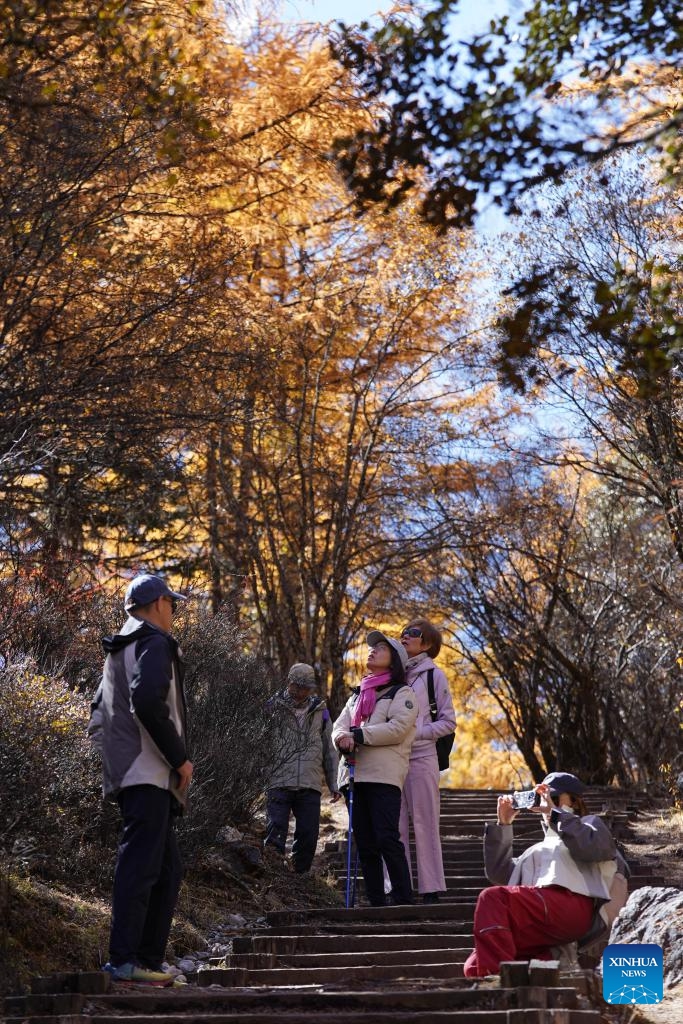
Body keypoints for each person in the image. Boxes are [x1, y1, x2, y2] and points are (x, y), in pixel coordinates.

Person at [88, 573, 191, 986]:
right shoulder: (153, 642)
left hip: (134, 773)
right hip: (149, 773)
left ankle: (146, 960)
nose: (175, 612)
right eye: (173, 603)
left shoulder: (119, 648)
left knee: (166, 868)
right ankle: (125, 960)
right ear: (158, 605)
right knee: (142, 866)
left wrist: (118, 763)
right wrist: (179, 759)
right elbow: (147, 701)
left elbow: (98, 715)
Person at [463, 772, 629, 978]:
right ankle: (551, 957)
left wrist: (557, 815)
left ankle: (497, 981)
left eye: (554, 796)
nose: (546, 801)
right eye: (541, 797)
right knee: (473, 965)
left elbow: (594, 849)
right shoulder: (538, 848)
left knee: (491, 898)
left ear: (575, 802)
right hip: (538, 913)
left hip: (573, 905)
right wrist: (503, 824)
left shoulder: (590, 824)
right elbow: (499, 873)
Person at [332, 630, 418, 906]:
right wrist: (342, 739)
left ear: (395, 661)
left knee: (386, 838)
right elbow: (339, 726)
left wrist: (357, 736)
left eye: (381, 649)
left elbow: (397, 728)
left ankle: (404, 900)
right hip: (354, 776)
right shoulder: (359, 694)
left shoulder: (402, 693)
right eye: (373, 648)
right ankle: (376, 902)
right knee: (365, 843)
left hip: (383, 776)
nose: (373, 651)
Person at [394, 617, 456, 904]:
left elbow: (448, 722)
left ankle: (430, 889)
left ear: (427, 644)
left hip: (422, 757)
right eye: (403, 631)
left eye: (413, 633)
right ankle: (399, 886)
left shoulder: (434, 675)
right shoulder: (393, 674)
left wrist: (416, 734)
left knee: (425, 821)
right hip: (392, 760)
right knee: (395, 825)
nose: (405, 635)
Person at [263, 663, 341, 872]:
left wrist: (334, 783)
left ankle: (300, 878)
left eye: (305, 687)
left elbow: (330, 750)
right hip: (278, 781)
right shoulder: (272, 707)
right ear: (288, 683)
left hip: (310, 783)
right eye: (297, 686)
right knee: (274, 833)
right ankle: (274, 878)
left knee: (308, 835)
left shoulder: (321, 712)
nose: (300, 691)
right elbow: (258, 744)